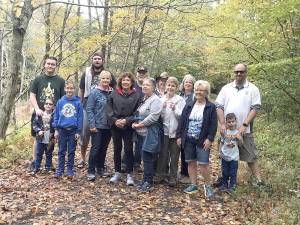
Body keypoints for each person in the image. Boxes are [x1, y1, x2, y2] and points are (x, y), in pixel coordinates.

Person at [215, 63, 264, 186]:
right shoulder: (226, 88)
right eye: (236, 71)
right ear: (234, 73)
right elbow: (219, 106)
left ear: (246, 72)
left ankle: (259, 181)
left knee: (250, 156)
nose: (239, 74)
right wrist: (222, 124)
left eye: (241, 71)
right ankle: (223, 179)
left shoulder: (253, 88)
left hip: (244, 130)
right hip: (227, 131)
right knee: (225, 154)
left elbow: (255, 107)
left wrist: (244, 125)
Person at [176, 80, 217, 199]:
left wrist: (210, 139)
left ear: (206, 92)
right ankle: (193, 185)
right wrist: (179, 136)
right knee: (190, 162)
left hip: (202, 140)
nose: (198, 92)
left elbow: (213, 125)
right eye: (197, 90)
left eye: (201, 90)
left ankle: (208, 187)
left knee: (203, 164)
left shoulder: (211, 107)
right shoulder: (189, 105)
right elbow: (182, 122)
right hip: (188, 139)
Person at [78, 52, 116, 169]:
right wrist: (80, 104)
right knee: (85, 134)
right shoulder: (87, 73)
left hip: (102, 108)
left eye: (99, 58)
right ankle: (83, 157)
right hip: (86, 107)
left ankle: (99, 161)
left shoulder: (108, 74)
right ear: (92, 60)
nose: (97, 60)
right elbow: (81, 89)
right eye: (95, 58)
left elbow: (114, 89)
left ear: (102, 60)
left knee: (100, 137)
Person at [29, 56, 65, 171]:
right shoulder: (38, 79)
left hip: (53, 116)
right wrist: (36, 108)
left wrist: (58, 112)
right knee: (38, 137)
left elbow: (63, 98)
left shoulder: (60, 81)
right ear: (44, 65)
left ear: (56, 66)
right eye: (48, 63)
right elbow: (32, 95)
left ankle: (48, 164)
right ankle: (35, 162)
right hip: (40, 114)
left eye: (53, 64)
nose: (50, 66)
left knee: (50, 139)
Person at [107, 72, 140, 185]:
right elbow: (109, 109)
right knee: (117, 149)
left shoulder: (136, 95)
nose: (125, 82)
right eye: (124, 80)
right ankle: (117, 172)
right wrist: (115, 120)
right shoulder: (114, 93)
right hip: (115, 125)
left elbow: (137, 113)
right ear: (120, 81)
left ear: (131, 83)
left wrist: (126, 121)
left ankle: (129, 174)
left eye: (128, 80)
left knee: (129, 149)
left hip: (128, 127)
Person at [132, 78, 163, 192]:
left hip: (150, 133)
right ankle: (145, 179)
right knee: (143, 157)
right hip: (141, 133)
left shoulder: (156, 100)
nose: (145, 87)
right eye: (144, 85)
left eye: (148, 85)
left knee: (148, 157)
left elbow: (154, 117)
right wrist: (135, 122)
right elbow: (140, 113)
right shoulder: (144, 98)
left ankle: (148, 182)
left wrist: (140, 125)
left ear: (153, 87)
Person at [155, 77, 185, 187]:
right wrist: (162, 108)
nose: (170, 87)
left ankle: (172, 176)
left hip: (176, 132)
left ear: (176, 88)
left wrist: (175, 108)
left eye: (173, 86)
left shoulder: (180, 100)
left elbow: (182, 116)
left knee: (175, 155)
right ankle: (160, 174)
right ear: (165, 86)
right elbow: (158, 116)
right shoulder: (161, 99)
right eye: (169, 85)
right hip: (164, 131)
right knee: (162, 154)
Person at [53, 80, 83, 179]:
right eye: (68, 88)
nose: (69, 90)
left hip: (73, 131)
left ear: (74, 89)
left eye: (71, 88)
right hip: (62, 130)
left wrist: (78, 131)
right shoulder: (60, 101)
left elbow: (80, 118)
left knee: (71, 151)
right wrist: (56, 129)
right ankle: (60, 169)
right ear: (65, 89)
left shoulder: (78, 102)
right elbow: (56, 116)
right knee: (61, 151)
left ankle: (70, 169)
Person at [86, 70, 113, 181]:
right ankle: (91, 170)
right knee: (96, 148)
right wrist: (92, 124)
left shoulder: (113, 92)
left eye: (107, 78)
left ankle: (100, 168)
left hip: (109, 126)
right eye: (103, 78)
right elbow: (89, 109)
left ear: (110, 80)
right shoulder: (94, 92)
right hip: (97, 125)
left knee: (104, 148)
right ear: (99, 79)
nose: (105, 80)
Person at [178, 74, 196, 183]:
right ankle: (181, 172)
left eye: (190, 82)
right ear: (183, 84)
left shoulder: (194, 96)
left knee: (186, 151)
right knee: (179, 149)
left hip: (189, 127)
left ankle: (187, 174)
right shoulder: (179, 95)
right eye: (186, 82)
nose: (188, 84)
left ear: (193, 85)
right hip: (178, 126)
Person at [219, 113, 243, 193]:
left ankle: (232, 186)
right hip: (225, 156)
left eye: (233, 121)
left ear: (236, 122)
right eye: (229, 122)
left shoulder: (237, 133)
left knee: (233, 172)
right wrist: (220, 152)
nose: (231, 123)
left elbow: (241, 144)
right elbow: (221, 142)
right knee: (225, 171)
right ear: (226, 122)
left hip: (234, 157)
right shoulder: (224, 132)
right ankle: (224, 184)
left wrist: (240, 139)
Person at [32, 98, 55, 175]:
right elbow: (34, 125)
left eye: (50, 104)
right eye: (46, 103)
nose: (48, 105)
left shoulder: (54, 115)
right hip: (40, 137)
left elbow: (57, 126)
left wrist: (55, 133)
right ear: (44, 105)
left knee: (49, 153)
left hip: (50, 137)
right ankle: (36, 167)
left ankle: (48, 168)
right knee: (39, 153)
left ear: (53, 106)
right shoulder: (39, 114)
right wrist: (39, 131)